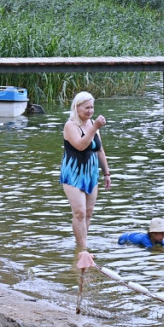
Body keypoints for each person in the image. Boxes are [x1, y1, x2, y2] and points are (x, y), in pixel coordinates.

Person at [61, 91, 111, 254]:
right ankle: (82, 250)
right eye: (87, 108)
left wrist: (107, 173)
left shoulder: (91, 124)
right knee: (79, 212)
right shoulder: (70, 125)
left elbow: (100, 150)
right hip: (73, 173)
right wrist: (95, 126)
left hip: (91, 174)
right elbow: (81, 145)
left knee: (88, 213)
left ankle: (82, 246)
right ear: (77, 107)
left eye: (92, 107)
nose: (90, 111)